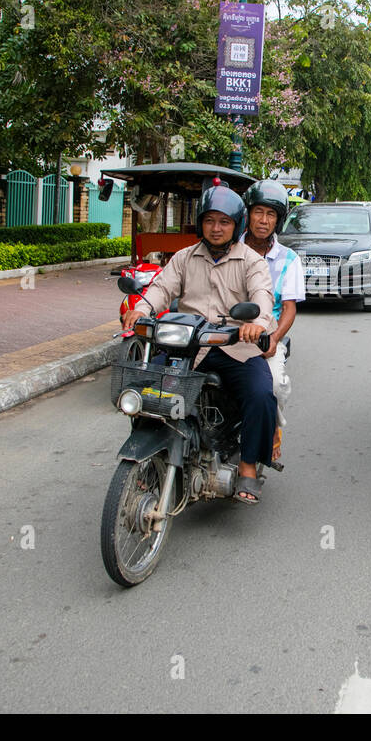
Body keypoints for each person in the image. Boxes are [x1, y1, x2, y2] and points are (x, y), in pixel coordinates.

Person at [121, 180, 276, 505]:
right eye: (209, 220)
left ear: (236, 225)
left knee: (261, 393)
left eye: (224, 222)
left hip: (235, 347)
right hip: (189, 346)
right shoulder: (184, 257)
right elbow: (162, 288)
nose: (216, 228)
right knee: (147, 388)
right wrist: (142, 309)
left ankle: (248, 466)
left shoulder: (251, 261)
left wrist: (257, 323)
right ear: (200, 222)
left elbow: (262, 295)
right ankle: (150, 456)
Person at [242, 179, 304, 461]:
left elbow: (289, 308)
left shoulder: (289, 259)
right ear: (248, 214)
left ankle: (273, 428)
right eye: (258, 212)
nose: (263, 220)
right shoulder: (230, 248)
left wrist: (274, 339)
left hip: (266, 332)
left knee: (275, 385)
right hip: (225, 330)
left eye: (270, 215)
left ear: (278, 220)